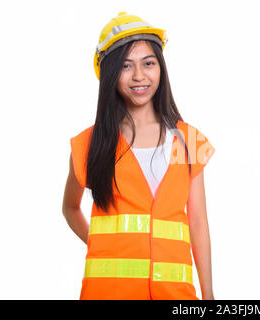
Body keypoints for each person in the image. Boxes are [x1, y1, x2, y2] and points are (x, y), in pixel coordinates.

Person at [62, 12, 216, 300]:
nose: (139, 76)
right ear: (109, 75)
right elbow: (70, 208)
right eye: (125, 66)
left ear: (161, 68)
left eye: (149, 63)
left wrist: (209, 296)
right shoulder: (88, 144)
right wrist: (99, 245)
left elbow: (198, 224)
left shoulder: (189, 140)